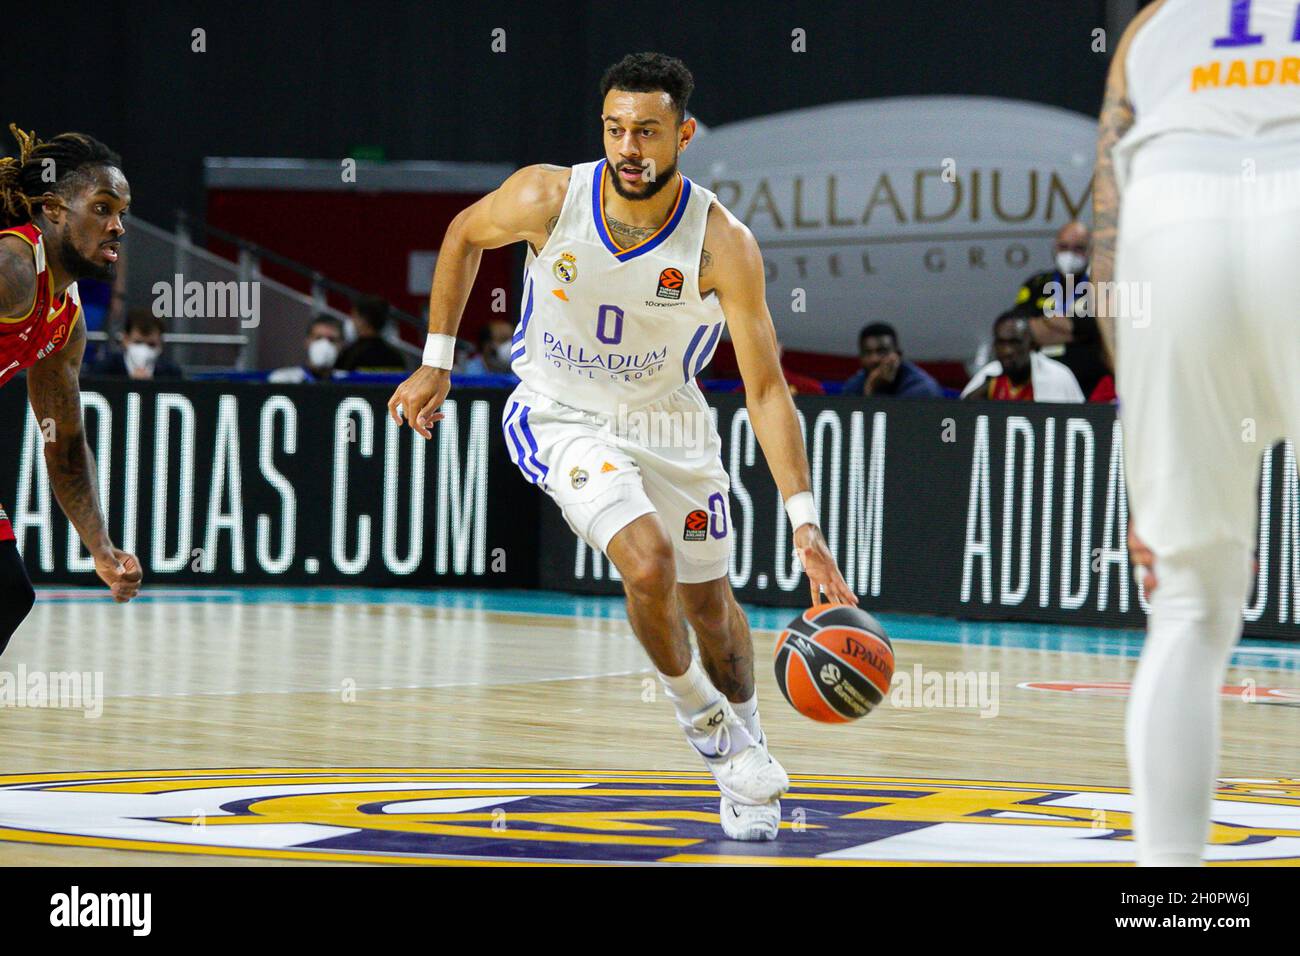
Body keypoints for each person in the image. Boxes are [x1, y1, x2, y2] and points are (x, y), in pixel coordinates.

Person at [388, 52, 855, 842]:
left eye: (646, 130)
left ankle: (748, 749)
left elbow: (767, 390)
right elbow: (464, 235)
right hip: (561, 413)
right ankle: (703, 724)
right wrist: (436, 362)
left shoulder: (723, 244)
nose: (628, 146)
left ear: (684, 134)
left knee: (712, 609)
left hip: (671, 424)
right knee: (646, 562)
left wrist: (805, 526)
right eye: (614, 129)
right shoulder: (549, 195)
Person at [1095, 0, 1300, 867]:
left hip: (1170, 216)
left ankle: (1173, 897)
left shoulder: (1152, 26)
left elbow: (1103, 253)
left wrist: (1151, 450)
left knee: (1187, 605)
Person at [0, 124, 143, 654]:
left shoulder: (65, 316)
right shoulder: (13, 268)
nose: (118, 226)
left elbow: (63, 443)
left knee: (7, 592)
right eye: (103, 208)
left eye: (122, 213)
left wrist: (101, 548)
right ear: (55, 209)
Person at [1012, 221, 1110, 396]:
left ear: (1090, 251)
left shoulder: (1102, 287)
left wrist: (1047, 322)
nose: (1070, 254)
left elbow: (1100, 329)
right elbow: (1020, 327)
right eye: (1064, 247)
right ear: (1054, 248)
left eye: (1078, 248)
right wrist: (1076, 331)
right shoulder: (1036, 284)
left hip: (1089, 383)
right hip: (1041, 382)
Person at [961, 311, 1084, 402]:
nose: (1007, 351)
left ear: (1031, 345)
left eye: (1015, 343)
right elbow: (959, 420)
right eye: (1001, 343)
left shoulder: (1058, 377)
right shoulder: (988, 377)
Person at [842, 322, 943, 398]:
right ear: (860, 358)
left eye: (882, 351)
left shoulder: (922, 389)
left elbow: (893, 423)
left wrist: (874, 389)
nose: (874, 359)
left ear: (898, 355)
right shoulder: (853, 386)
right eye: (868, 353)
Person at [91, 310, 184, 379]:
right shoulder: (104, 369)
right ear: (125, 340)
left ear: (161, 344)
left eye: (151, 344)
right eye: (138, 342)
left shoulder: (172, 374)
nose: (144, 349)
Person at [335, 294, 408, 373]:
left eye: (354, 316)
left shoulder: (349, 356)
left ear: (363, 319)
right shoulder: (396, 357)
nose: (352, 320)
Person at [268, 315, 347, 384]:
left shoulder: (349, 382)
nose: (325, 345)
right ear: (307, 342)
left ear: (341, 346)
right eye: (318, 338)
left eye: (332, 340)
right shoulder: (283, 380)